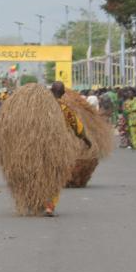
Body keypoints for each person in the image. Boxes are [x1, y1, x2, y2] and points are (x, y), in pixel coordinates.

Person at [47, 81, 92, 216]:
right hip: (58, 147)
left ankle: (38, 201)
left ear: (50, 91)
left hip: (38, 146)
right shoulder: (66, 110)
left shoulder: (40, 108)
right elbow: (77, 127)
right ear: (63, 93)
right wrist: (86, 140)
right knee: (56, 176)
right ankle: (49, 206)